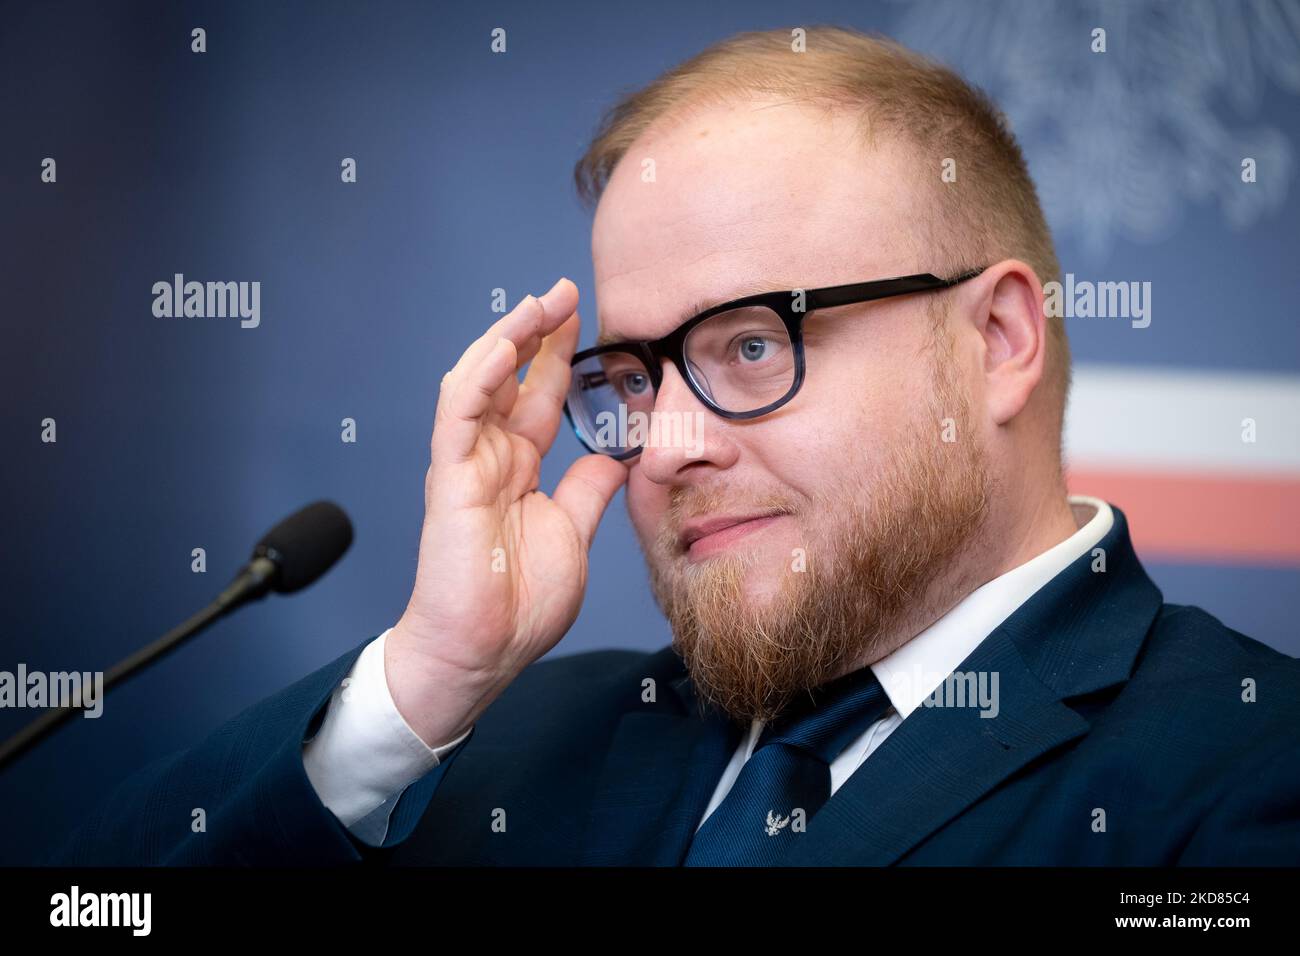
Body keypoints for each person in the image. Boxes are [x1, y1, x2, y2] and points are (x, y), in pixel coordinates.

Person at [52, 27, 1300, 866]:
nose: (666, 448)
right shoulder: (507, 739)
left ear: (999, 340)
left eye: (754, 344)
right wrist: (424, 676)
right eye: (636, 374)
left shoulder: (1245, 773)